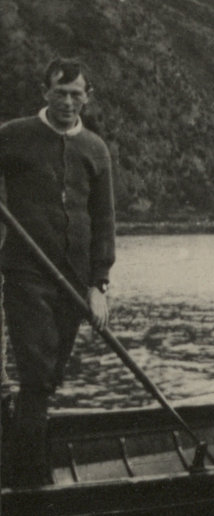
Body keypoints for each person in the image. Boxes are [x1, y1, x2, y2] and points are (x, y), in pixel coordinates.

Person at [0, 58, 115, 487]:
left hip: (74, 283)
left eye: (76, 94)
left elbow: (104, 222)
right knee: (36, 373)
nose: (68, 102)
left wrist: (98, 285)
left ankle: (18, 466)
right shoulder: (13, 137)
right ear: (44, 92)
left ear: (88, 97)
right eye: (60, 92)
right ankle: (32, 484)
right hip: (26, 272)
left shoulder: (96, 149)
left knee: (46, 381)